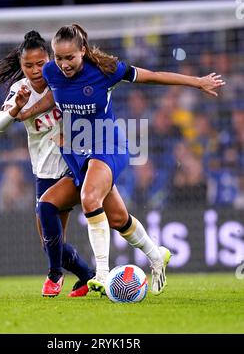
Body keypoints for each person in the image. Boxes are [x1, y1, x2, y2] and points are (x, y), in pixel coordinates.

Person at [21, 23, 225, 295]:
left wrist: (197, 82)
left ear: (83, 51)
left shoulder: (106, 70)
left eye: (70, 58)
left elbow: (152, 76)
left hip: (108, 145)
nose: (64, 64)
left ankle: (102, 274)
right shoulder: (51, 72)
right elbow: (52, 99)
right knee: (102, 215)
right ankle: (156, 255)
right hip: (78, 153)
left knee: (90, 198)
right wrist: (23, 112)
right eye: (59, 58)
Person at [0, 31, 95, 297]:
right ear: (21, 65)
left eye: (40, 64)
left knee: (49, 217)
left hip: (73, 164)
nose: (36, 70)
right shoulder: (19, 91)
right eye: (29, 65)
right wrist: (16, 109)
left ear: (50, 59)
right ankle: (88, 276)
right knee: (50, 244)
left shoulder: (63, 78)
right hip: (44, 170)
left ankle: (54, 276)